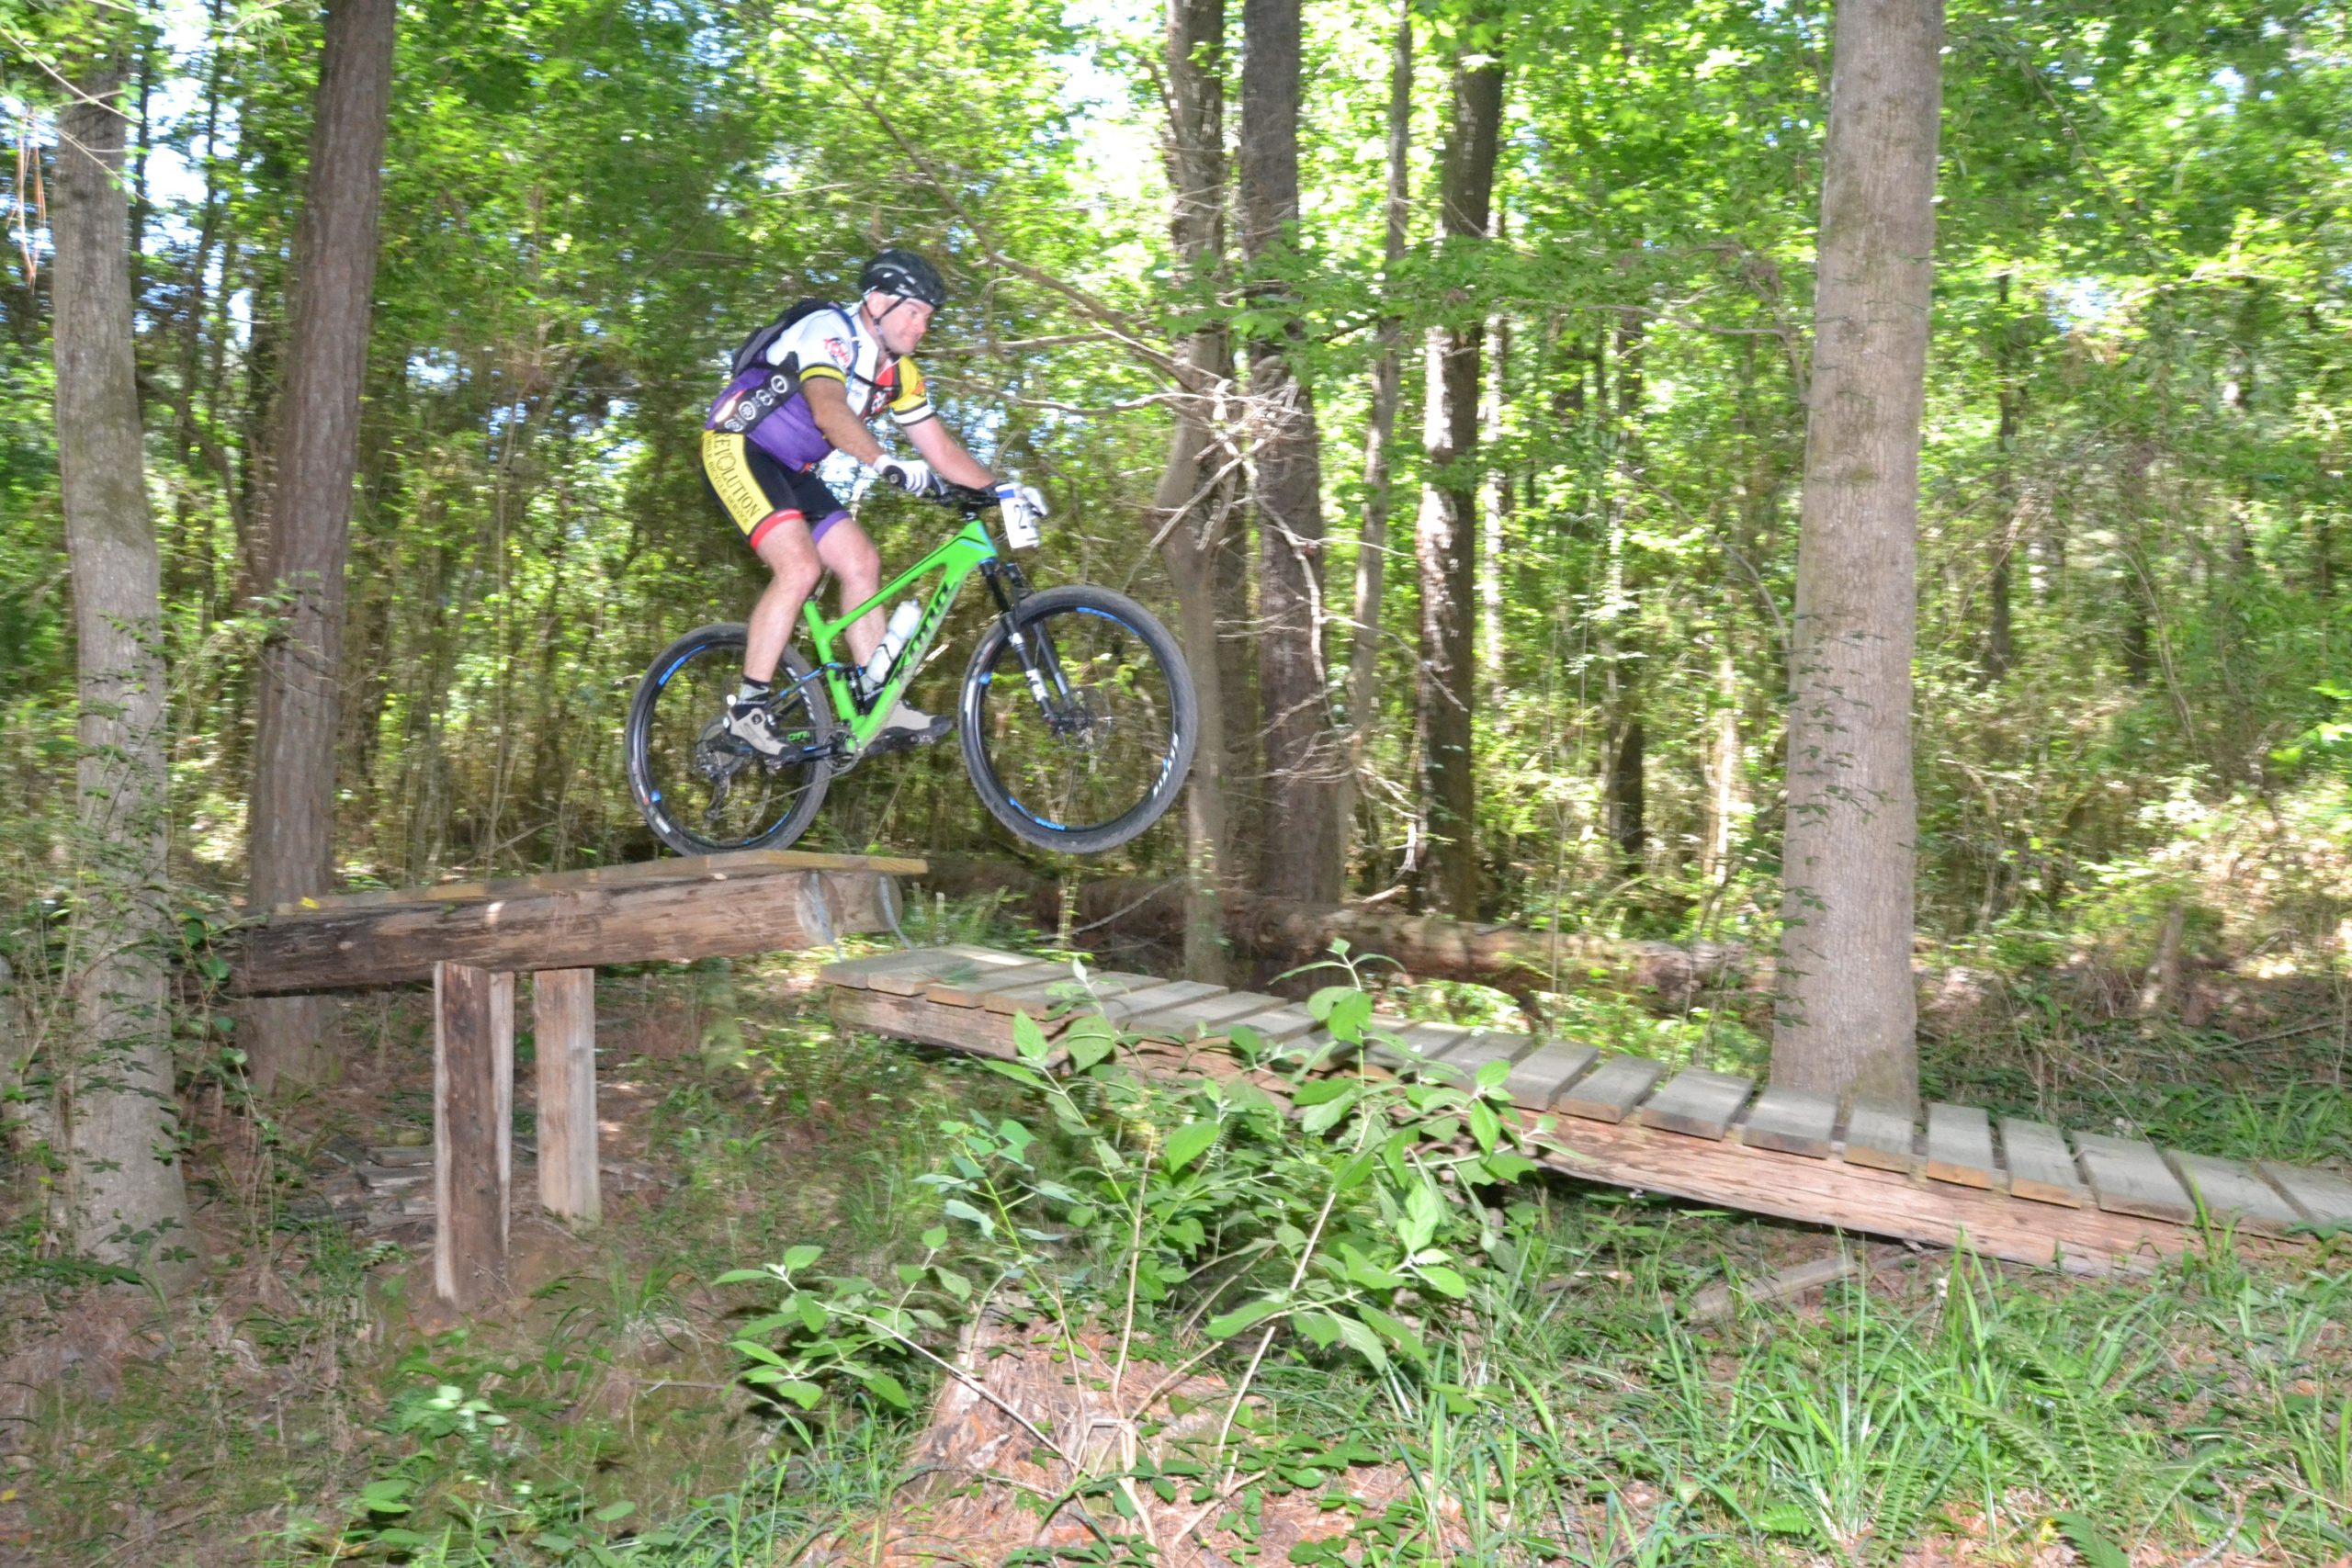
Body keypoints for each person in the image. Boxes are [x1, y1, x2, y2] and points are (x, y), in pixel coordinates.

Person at [700, 248, 1043, 757]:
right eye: (913, 312)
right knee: (799, 568)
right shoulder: (829, 331)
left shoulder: (901, 375)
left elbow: (941, 450)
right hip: (738, 444)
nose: (922, 326)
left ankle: (873, 704)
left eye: (928, 317)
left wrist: (1002, 488)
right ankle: (747, 710)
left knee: (862, 561)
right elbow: (828, 411)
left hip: (791, 470)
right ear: (877, 301)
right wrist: (886, 463)